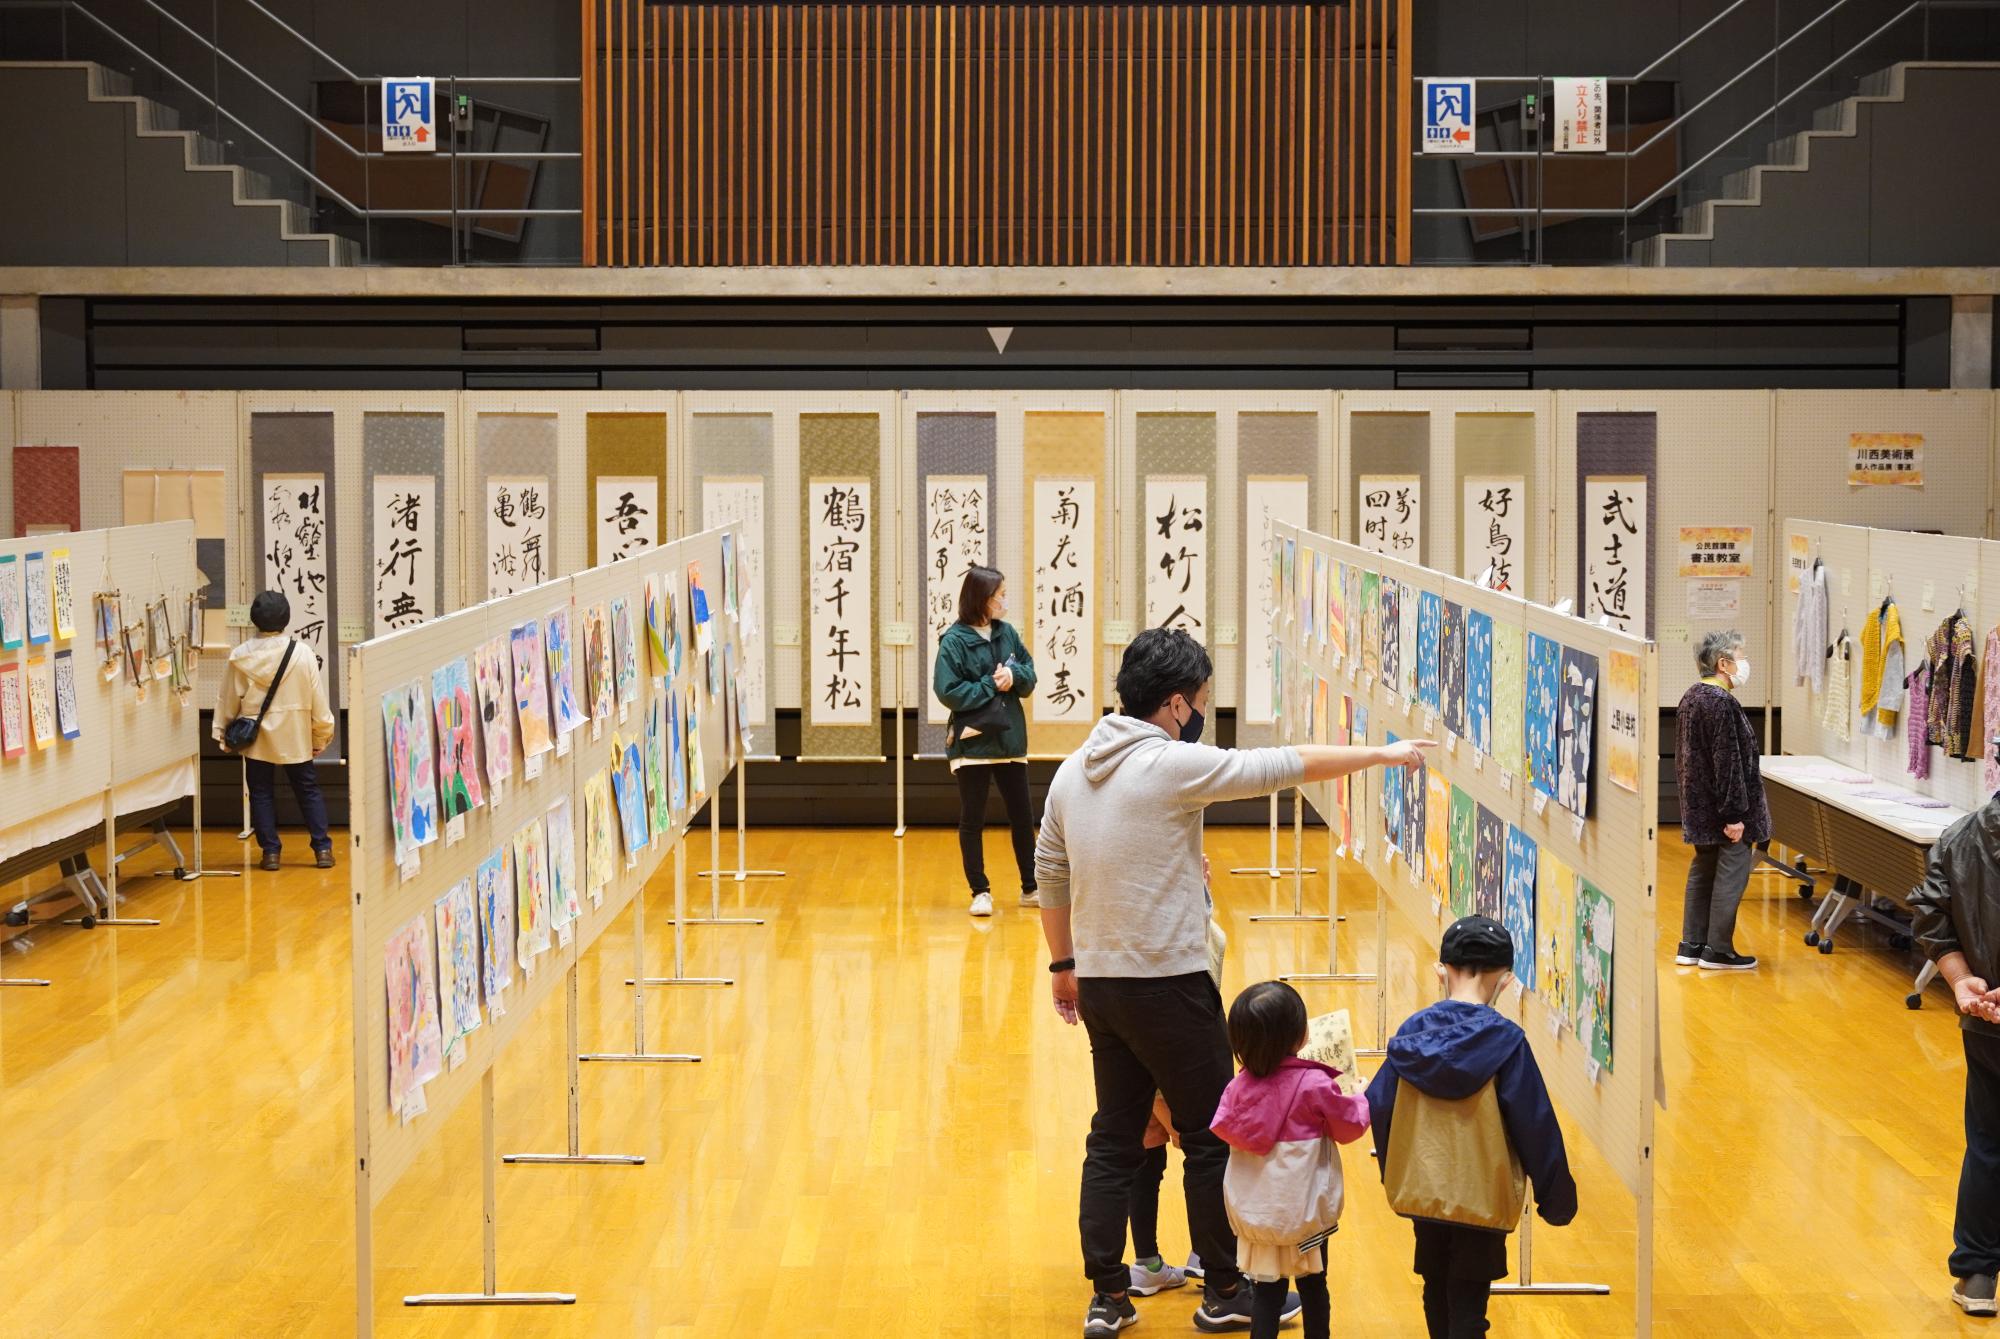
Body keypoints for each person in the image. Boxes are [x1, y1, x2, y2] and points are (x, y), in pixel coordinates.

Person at [1035, 626, 1431, 1337]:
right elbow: (1281, 764)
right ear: (1177, 703)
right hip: (1171, 982)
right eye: (1203, 703)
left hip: (1101, 983)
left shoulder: (1072, 770)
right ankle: (1223, 1287)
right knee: (1213, 1132)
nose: (1201, 714)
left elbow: (1051, 872)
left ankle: (1107, 1294)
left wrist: (1063, 966)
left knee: (1114, 1135)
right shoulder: (1167, 763)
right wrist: (1381, 753)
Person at [1365, 916, 1577, 1339]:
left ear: (1442, 970)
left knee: (1434, 1283)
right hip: (1481, 1197)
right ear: (1504, 980)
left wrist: (1394, 1169)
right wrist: (1557, 1199)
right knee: (1469, 1302)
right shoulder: (1508, 1042)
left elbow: (1380, 1103)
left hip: (1424, 1192)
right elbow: (1535, 1123)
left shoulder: (1412, 1033)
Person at [1211, 980, 1371, 1339]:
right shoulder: (1314, 1083)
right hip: (1306, 1210)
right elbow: (1349, 1128)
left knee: (1267, 1294)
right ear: (1300, 1036)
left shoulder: (1236, 1089)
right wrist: (1359, 1096)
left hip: (1260, 1215)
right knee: (1315, 1286)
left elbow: (1223, 1126)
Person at [1910, 773, 2000, 1317]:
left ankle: (1977, 1275)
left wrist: (1962, 978)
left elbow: (1930, 911)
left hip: (1984, 1019)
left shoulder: (1962, 836)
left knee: (1989, 1142)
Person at [932, 565, 1038, 918]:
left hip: (1010, 741)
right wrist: (990, 684)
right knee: (972, 818)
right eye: (999, 595)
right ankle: (980, 891)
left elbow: (1029, 674)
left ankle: (1030, 886)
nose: (1004, 601)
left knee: (1023, 816)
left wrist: (1015, 674)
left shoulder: (1007, 633)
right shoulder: (954, 640)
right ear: (982, 599)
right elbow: (947, 691)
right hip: (974, 744)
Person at [214, 590, 336, 872]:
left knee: (260, 792)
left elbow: (228, 699)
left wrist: (224, 734)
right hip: (296, 733)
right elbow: (318, 701)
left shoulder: (240, 656)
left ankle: (270, 852)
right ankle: (322, 849)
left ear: (255, 619)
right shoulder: (303, 653)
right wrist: (321, 736)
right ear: (286, 618)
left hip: (256, 737)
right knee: (308, 790)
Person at [1673, 629, 1769, 971]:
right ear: (1723, 663)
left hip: (1700, 806)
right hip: (1725, 810)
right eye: (1740, 657)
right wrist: (1734, 815)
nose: (1745, 664)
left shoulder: (1691, 697)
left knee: (1703, 869)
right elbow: (1728, 762)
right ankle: (1718, 949)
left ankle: (1691, 943)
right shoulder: (1721, 703)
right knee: (1731, 873)